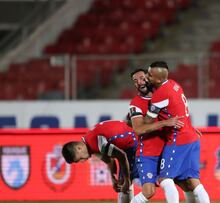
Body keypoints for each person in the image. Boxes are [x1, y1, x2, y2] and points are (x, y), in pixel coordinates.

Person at [141, 61, 210, 203]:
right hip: (192, 137)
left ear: (159, 80)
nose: (146, 77)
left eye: (149, 75)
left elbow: (147, 122)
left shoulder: (160, 95)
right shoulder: (174, 84)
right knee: (193, 182)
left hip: (178, 139)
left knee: (164, 179)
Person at [128, 68, 196, 203]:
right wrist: (165, 123)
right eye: (135, 81)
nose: (139, 83)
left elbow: (179, 114)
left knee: (187, 185)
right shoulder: (135, 104)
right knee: (149, 192)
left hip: (166, 150)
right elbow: (139, 129)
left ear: (148, 77)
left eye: (142, 78)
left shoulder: (162, 94)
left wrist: (190, 128)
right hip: (148, 153)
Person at [62, 120, 138, 203]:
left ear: (79, 148)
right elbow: (109, 161)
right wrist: (113, 177)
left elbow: (122, 156)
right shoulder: (89, 142)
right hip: (130, 139)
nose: (83, 161)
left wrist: (127, 180)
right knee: (123, 182)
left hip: (134, 140)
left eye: (80, 159)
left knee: (126, 182)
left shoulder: (97, 143)